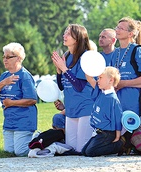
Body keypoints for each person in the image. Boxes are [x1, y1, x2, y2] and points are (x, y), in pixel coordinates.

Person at [0, 42, 37, 156]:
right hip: (9, 122)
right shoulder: (4, 76)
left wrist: (11, 103)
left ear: (18, 58)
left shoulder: (25, 76)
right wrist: (4, 82)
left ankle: (41, 141)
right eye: (4, 57)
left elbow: (32, 100)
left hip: (24, 121)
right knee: (9, 153)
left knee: (21, 152)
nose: (5, 60)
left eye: (8, 57)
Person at [51, 24, 94, 154]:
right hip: (71, 109)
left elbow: (80, 86)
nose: (64, 36)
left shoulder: (86, 57)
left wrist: (64, 69)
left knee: (82, 150)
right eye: (65, 32)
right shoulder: (67, 55)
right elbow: (62, 86)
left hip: (85, 108)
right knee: (71, 149)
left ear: (78, 38)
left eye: (68, 33)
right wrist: (59, 71)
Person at [111, 17, 141, 116]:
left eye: (121, 28)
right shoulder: (115, 52)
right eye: (116, 27)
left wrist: (124, 83)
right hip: (118, 105)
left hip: (135, 106)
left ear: (130, 34)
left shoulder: (138, 51)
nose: (116, 30)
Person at [81, 67, 124, 157]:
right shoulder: (101, 93)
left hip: (108, 133)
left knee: (90, 152)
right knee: (84, 151)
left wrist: (117, 136)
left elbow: (117, 119)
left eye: (100, 78)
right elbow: (89, 78)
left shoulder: (113, 99)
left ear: (110, 80)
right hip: (99, 132)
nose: (98, 80)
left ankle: (119, 146)